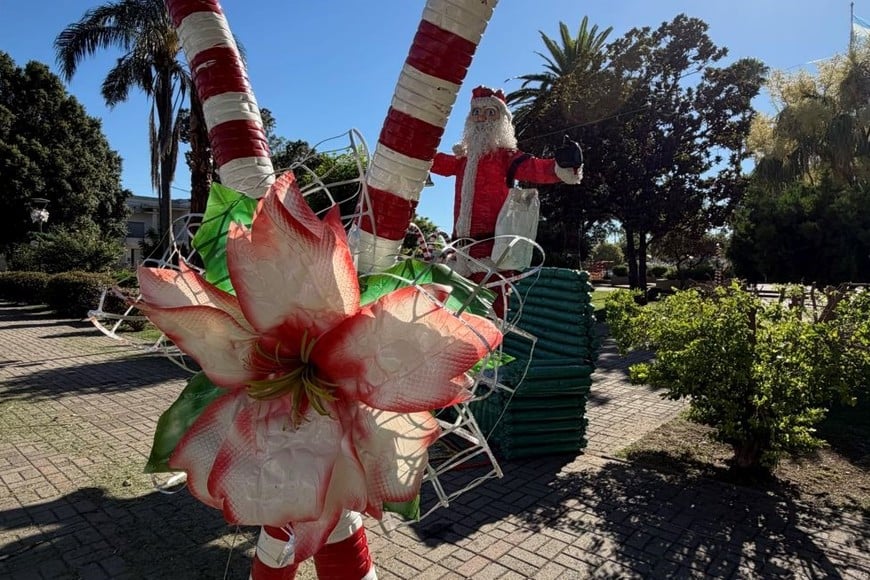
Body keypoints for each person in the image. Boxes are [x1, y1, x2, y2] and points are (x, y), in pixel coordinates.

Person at [430, 85, 583, 315]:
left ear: (501, 119)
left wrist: (562, 165)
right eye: (476, 113)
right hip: (459, 254)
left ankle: (492, 350)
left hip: (493, 255)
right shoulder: (463, 160)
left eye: (490, 113)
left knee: (490, 315)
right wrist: (416, 150)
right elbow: (438, 163)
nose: (481, 118)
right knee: (455, 317)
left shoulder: (505, 158)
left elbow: (535, 168)